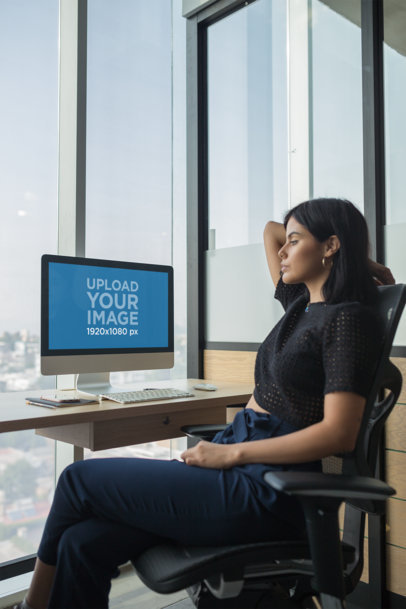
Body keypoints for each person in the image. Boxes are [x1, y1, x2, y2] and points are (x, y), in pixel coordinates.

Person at [16, 198, 394, 609]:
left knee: (76, 480)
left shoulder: (346, 319)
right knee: (80, 542)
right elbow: (271, 230)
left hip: (266, 489)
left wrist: (230, 454)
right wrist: (361, 260)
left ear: (329, 247)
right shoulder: (301, 304)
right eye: (286, 243)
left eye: (296, 241)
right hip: (243, 467)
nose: (282, 250)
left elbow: (339, 433)